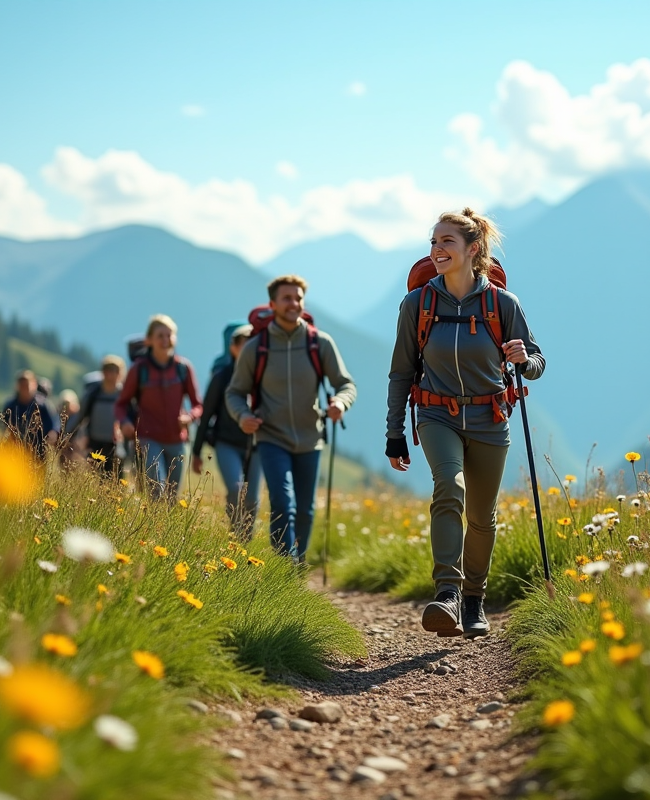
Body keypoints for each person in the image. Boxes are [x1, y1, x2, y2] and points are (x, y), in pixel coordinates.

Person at [385, 209, 545, 639]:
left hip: (490, 418)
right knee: (449, 487)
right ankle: (448, 594)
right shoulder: (418, 304)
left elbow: (537, 362)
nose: (436, 250)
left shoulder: (502, 304)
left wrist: (523, 360)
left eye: (446, 242)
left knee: (482, 516)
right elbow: (401, 372)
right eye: (434, 242)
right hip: (436, 416)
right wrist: (395, 433)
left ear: (472, 249)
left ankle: (475, 598)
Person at [225, 275, 357, 561]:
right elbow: (234, 393)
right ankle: (284, 568)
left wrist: (341, 403)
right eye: (287, 298)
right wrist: (243, 415)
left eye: (298, 298)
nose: (293, 303)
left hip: (311, 438)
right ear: (272, 304)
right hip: (271, 437)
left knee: (306, 511)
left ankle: (297, 569)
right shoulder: (256, 347)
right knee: (284, 505)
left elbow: (346, 384)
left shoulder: (319, 343)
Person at [115, 315, 202, 503]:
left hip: (177, 441)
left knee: (172, 497)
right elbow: (121, 403)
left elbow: (198, 404)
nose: (165, 340)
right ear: (149, 340)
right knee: (156, 491)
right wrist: (125, 422)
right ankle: (153, 530)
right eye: (160, 335)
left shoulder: (183, 368)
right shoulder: (139, 369)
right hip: (148, 438)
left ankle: (165, 532)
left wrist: (190, 417)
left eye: (169, 335)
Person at [192, 324, 263, 539]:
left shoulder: (262, 377)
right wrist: (196, 452)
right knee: (235, 489)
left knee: (252, 498)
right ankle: (235, 535)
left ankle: (244, 542)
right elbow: (207, 415)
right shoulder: (221, 377)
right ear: (233, 348)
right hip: (226, 444)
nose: (250, 347)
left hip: (257, 445)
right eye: (245, 343)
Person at [65, 355, 125, 477]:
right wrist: (66, 435)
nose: (110, 375)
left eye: (114, 371)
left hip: (117, 445)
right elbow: (80, 416)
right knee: (95, 479)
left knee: (116, 480)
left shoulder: (124, 396)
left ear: (120, 373)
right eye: (107, 370)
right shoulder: (93, 394)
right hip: (94, 443)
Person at [0, 369, 60, 462]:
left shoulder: (43, 405)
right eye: (22, 385)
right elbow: (4, 426)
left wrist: (53, 433)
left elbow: (54, 422)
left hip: (38, 449)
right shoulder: (11, 406)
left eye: (27, 385)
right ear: (17, 386)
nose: (25, 388)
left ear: (34, 385)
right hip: (15, 450)